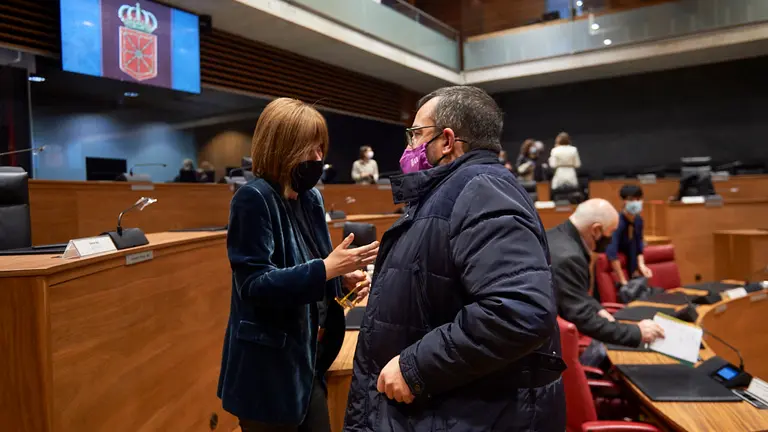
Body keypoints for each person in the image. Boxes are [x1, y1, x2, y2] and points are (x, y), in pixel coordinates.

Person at [345, 86, 566, 431]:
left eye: (416, 135)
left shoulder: (482, 190)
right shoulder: (454, 190)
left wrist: (414, 367)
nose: (409, 147)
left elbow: (519, 310)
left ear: (447, 141)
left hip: (470, 414)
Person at [217, 98, 379, 432]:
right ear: (282, 148)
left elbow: (316, 262)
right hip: (266, 374)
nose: (319, 159)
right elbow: (254, 285)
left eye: (322, 148)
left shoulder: (311, 199)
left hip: (307, 361)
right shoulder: (253, 199)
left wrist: (342, 278)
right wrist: (327, 269)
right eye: (310, 149)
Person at [546, 199, 665, 367]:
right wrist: (637, 333)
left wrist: (598, 309)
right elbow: (582, 318)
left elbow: (572, 293)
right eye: (611, 232)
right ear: (596, 230)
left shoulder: (557, 236)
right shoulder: (569, 257)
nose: (611, 239)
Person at [607, 184, 653, 286]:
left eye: (638, 199)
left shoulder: (638, 221)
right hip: (619, 272)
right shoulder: (616, 222)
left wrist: (642, 265)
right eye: (631, 199)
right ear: (624, 201)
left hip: (631, 268)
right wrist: (623, 280)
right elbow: (612, 254)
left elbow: (639, 245)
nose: (636, 202)